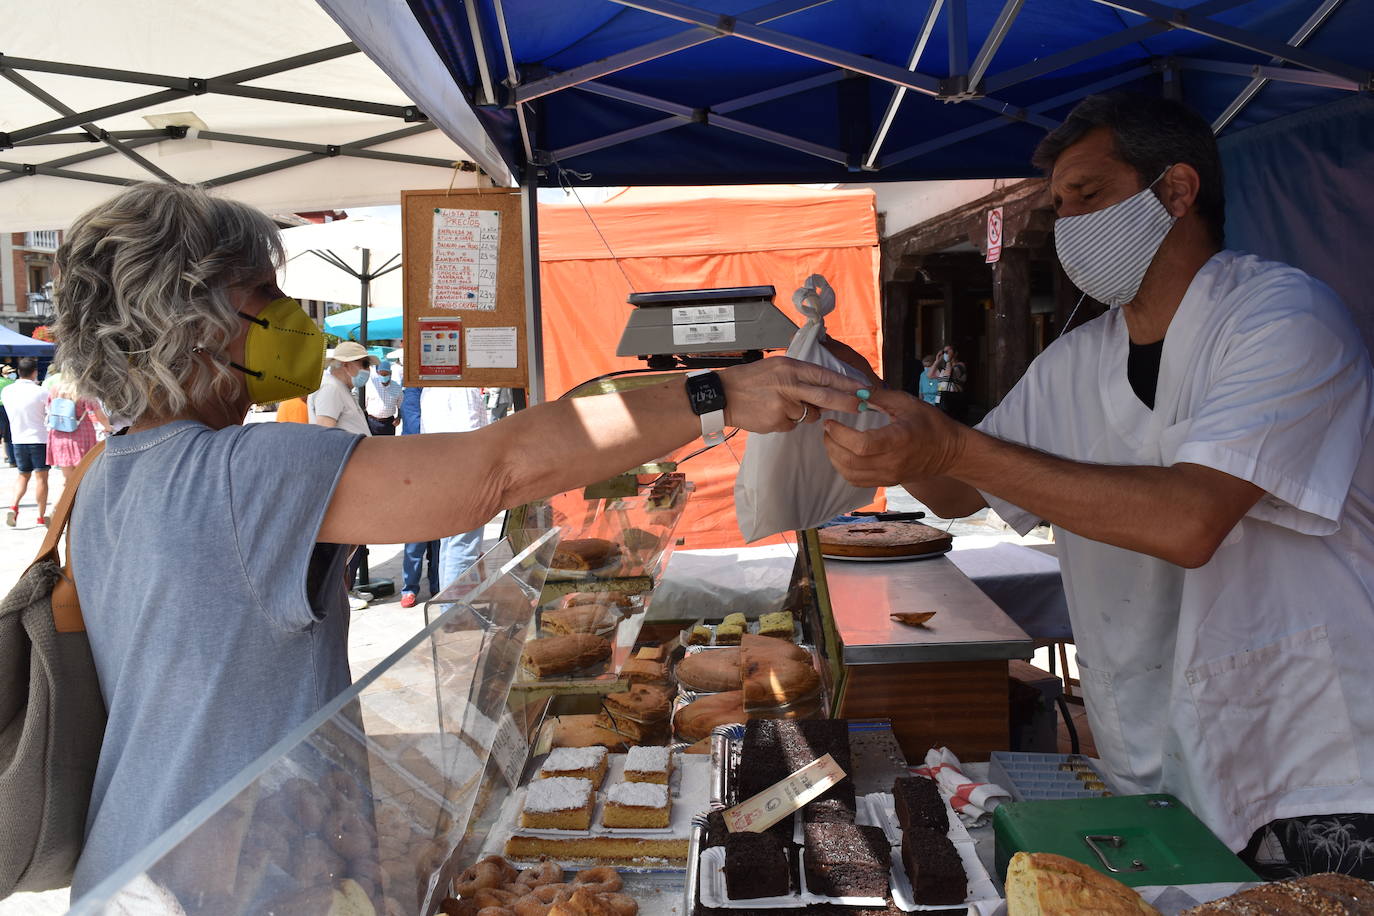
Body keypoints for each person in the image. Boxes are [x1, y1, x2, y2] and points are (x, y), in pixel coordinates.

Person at [48, 181, 859, 899]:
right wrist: (715, 393)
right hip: (226, 879)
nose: (293, 317)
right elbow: (494, 471)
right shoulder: (242, 470)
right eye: (262, 292)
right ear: (189, 320)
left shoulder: (105, 474)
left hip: (140, 863)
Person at [824, 93, 1374, 878]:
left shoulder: (1284, 319)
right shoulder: (1077, 361)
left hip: (1308, 755)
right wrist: (856, 403)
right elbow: (955, 492)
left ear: (1177, 192)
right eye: (1058, 206)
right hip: (1153, 746)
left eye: (1088, 195)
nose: (1067, 224)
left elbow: (1190, 520)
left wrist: (951, 443)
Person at [421, 385, 490, 591]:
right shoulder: (462, 389)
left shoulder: (431, 390)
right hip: (464, 473)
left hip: (441, 469)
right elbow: (470, 435)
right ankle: (454, 614)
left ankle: (448, 610)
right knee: (463, 547)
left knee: (450, 545)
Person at [398, 382, 440, 608]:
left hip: (442, 467)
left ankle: (437, 583)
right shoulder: (413, 391)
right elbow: (414, 427)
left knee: (441, 535)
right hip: (418, 469)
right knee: (416, 537)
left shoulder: (446, 388)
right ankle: (410, 588)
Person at [1, 356, 51, 526]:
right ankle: (40, 516)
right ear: (35, 372)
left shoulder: (7, 391)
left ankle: (13, 506)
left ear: (18, 372)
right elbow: (49, 413)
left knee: (22, 476)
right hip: (39, 438)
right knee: (41, 479)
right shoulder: (41, 391)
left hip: (18, 438)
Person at [45, 379, 110, 483]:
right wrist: (109, 428)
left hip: (58, 434)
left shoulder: (55, 388)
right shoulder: (83, 389)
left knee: (68, 479)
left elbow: (49, 407)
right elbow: (100, 415)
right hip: (81, 434)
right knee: (82, 477)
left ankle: (67, 496)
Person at [308, 341, 374, 436]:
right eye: (365, 364)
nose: (368, 369)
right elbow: (324, 435)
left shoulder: (338, 387)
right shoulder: (331, 388)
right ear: (346, 365)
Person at [363, 359, 403, 436]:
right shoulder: (371, 386)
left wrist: (399, 417)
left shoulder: (397, 388)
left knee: (388, 446)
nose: (383, 377)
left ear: (390, 373)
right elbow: (364, 403)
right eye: (381, 374)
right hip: (372, 422)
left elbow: (400, 405)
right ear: (378, 373)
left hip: (389, 423)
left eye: (386, 374)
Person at [931, 344, 968, 421]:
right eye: (945, 351)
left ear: (955, 353)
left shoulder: (960, 366)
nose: (946, 353)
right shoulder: (944, 368)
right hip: (940, 398)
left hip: (952, 399)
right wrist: (937, 361)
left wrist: (948, 361)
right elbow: (930, 375)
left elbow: (949, 375)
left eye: (948, 351)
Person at [0, 362, 16, 467]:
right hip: (8, 408)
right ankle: (11, 460)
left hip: (3, 408)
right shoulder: (11, 382)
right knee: (8, 434)